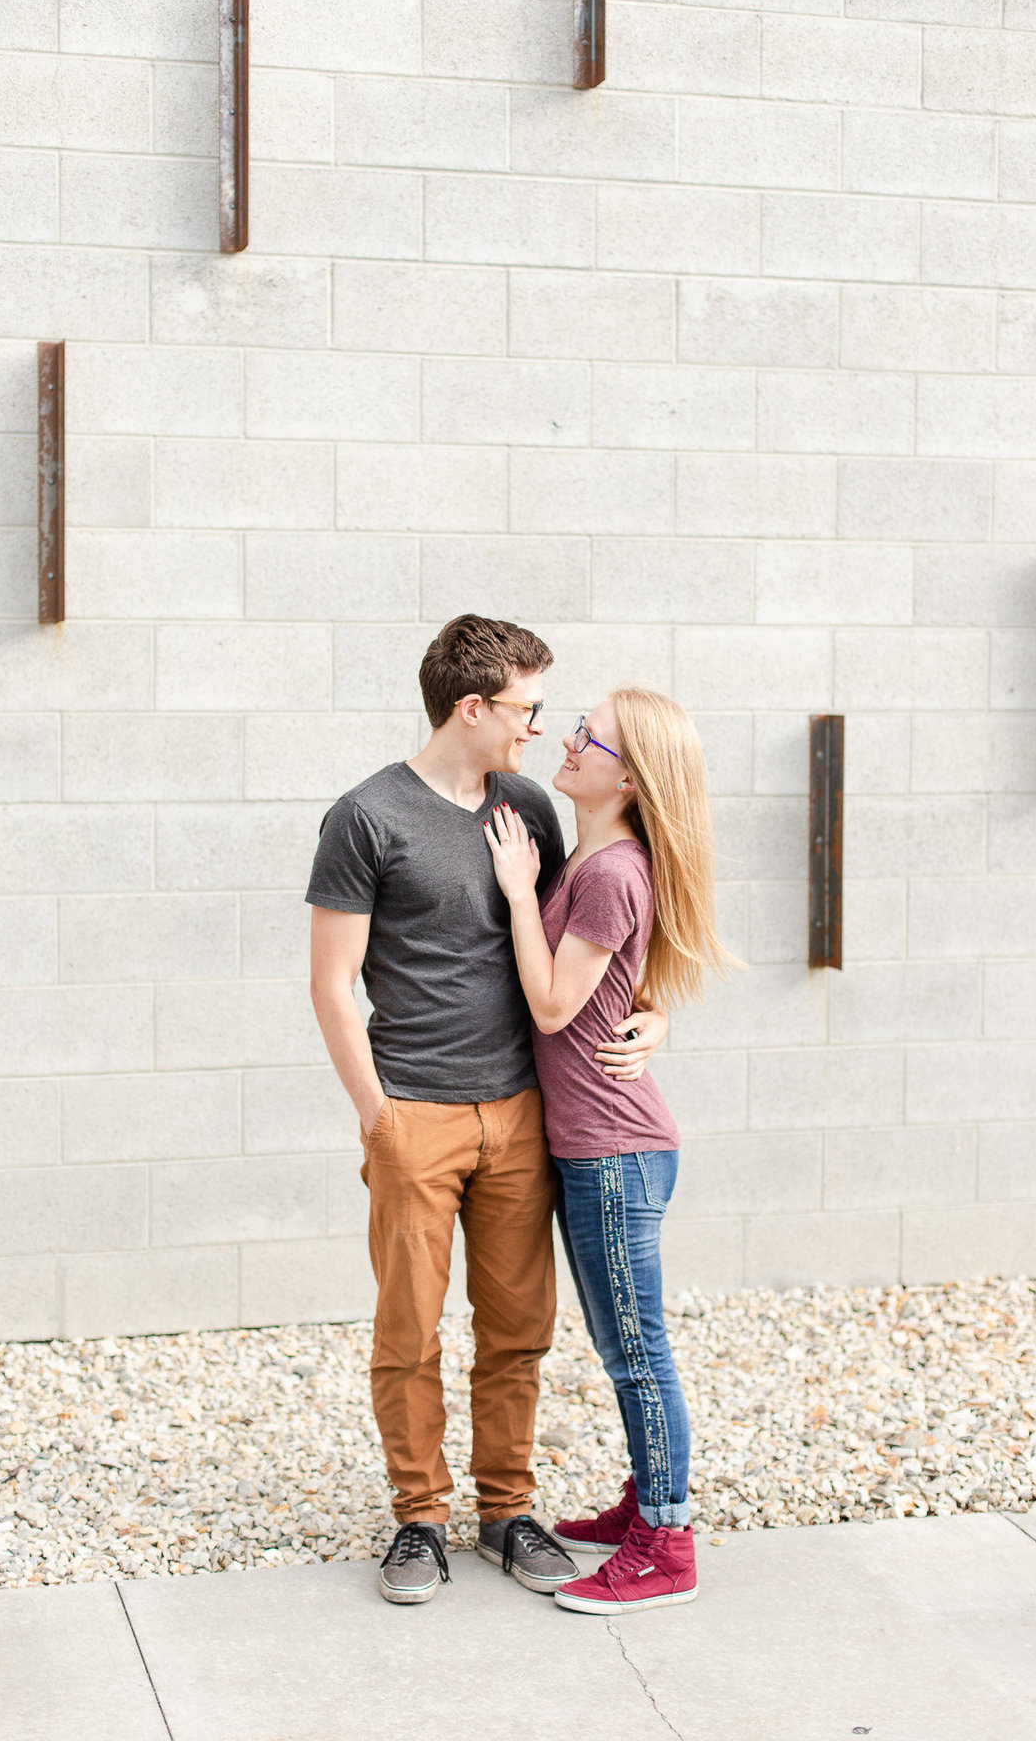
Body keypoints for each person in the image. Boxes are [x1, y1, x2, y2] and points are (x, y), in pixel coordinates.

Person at [306, 616, 669, 1605]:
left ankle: (508, 1509)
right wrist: (378, 1117)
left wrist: (654, 1016)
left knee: (517, 1328)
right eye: (527, 709)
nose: (538, 730)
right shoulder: (366, 817)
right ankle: (419, 1518)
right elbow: (333, 986)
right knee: (409, 1330)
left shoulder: (526, 809)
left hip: (520, 1114)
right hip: (413, 1115)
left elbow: (577, 945)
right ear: (472, 708)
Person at [484, 686, 732, 1614]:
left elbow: (552, 1005)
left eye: (591, 736)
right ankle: (644, 1504)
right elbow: (619, 988)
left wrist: (514, 892)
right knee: (624, 1341)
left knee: (636, 1350)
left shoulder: (608, 872)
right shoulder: (595, 859)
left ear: (629, 776)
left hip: (615, 1153)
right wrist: (655, 1016)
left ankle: (666, 1544)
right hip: (602, 1146)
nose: (572, 741)